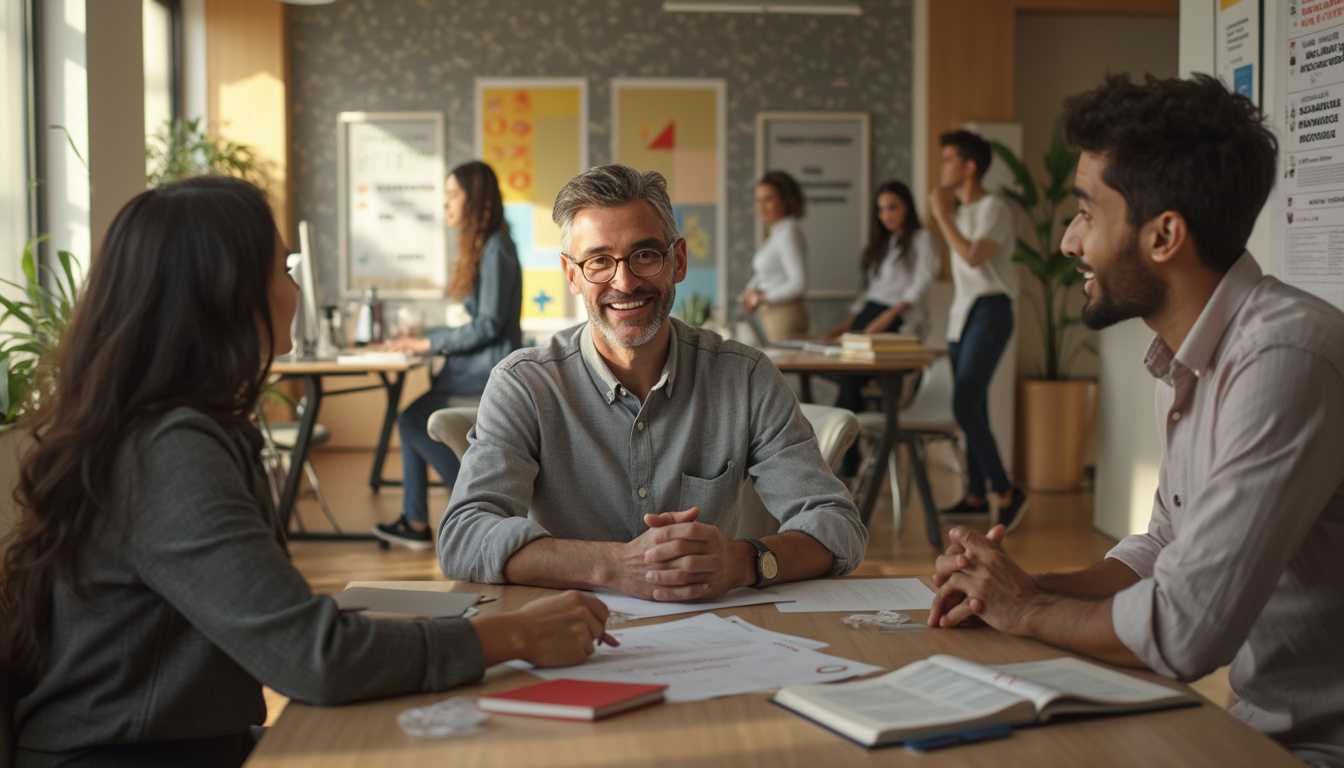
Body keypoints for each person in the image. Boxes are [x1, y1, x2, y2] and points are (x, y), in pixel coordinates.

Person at [0, 176, 611, 767]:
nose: (294, 287)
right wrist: (519, 637)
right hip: (126, 756)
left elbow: (267, 621)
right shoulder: (168, 451)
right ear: (227, 293)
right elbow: (313, 659)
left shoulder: (180, 426)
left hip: (178, 742)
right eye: (283, 270)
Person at [928, 74, 1344, 767]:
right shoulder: (1188, 356)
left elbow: (1185, 632)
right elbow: (1164, 548)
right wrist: (1017, 586)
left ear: (1164, 235)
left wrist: (1027, 610)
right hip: (1256, 730)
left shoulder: (1283, 359)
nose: (1067, 242)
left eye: (1086, 212)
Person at [437, 164, 867, 600]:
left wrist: (742, 562)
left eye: (645, 255)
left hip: (713, 632)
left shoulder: (746, 377)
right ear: (572, 275)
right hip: (564, 627)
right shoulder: (524, 385)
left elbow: (838, 525)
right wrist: (615, 566)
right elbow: (463, 537)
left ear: (677, 261)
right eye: (600, 261)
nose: (624, 282)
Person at [373, 161, 522, 550]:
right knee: (410, 418)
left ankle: (473, 510)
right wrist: (426, 338)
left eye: (453, 194)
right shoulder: (489, 246)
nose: (445, 203)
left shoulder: (497, 248)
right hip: (472, 371)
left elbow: (488, 325)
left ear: (476, 199)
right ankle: (417, 520)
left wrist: (427, 342)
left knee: (411, 420)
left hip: (485, 376)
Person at [927, 129, 1029, 531]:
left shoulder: (994, 208)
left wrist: (942, 217)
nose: (941, 167)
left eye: (948, 159)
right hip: (963, 314)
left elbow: (972, 256)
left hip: (991, 309)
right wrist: (947, 216)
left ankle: (1006, 491)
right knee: (977, 405)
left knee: (964, 405)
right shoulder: (962, 212)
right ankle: (974, 494)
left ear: (970, 167)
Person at [824, 180, 939, 477]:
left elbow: (922, 284)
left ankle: (841, 462)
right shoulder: (883, 246)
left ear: (907, 207)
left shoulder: (922, 239)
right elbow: (867, 294)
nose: (886, 215)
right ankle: (847, 463)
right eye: (881, 210)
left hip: (895, 321)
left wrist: (890, 316)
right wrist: (841, 328)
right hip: (871, 316)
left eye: (893, 207)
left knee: (850, 382)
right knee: (847, 378)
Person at [741, 171, 809, 342]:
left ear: (786, 200)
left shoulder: (788, 233)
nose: (762, 206)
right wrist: (750, 290)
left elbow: (799, 284)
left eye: (768, 199)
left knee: (779, 368)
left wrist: (761, 297)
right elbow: (767, 274)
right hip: (772, 314)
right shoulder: (777, 233)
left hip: (784, 316)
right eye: (758, 200)